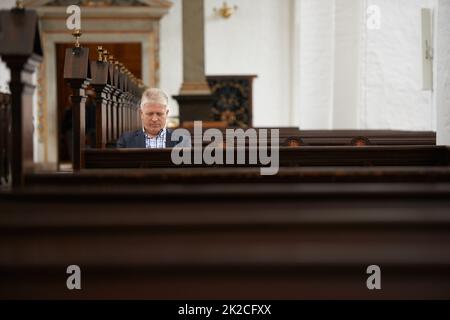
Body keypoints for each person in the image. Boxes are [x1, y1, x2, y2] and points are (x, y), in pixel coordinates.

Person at [117, 88, 190, 148]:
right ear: (141, 113)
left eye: (159, 114)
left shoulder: (182, 140)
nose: (154, 119)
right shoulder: (126, 140)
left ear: (166, 114)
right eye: (150, 114)